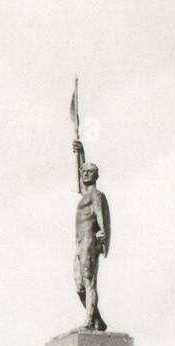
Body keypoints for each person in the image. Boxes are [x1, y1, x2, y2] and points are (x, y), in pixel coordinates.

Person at [72, 140, 110, 331]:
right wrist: (80, 152)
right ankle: (98, 319)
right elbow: (79, 170)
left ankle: (89, 320)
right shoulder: (85, 193)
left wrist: (102, 232)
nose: (85, 173)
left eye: (89, 172)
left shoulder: (96, 195)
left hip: (89, 241)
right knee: (79, 287)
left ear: (96, 176)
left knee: (89, 282)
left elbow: (100, 215)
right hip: (79, 244)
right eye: (83, 172)